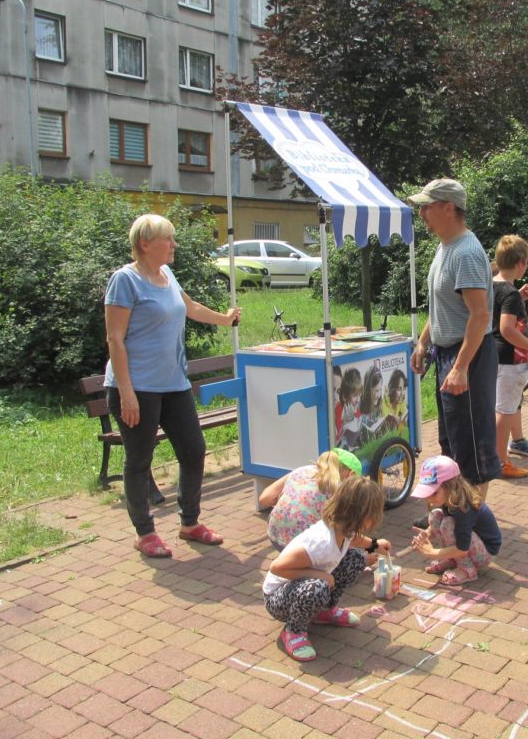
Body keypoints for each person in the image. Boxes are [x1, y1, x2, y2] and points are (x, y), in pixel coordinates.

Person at [104, 214, 241, 558]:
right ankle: (144, 532)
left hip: (174, 384)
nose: (174, 245)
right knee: (140, 459)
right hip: (138, 387)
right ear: (145, 244)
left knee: (194, 450)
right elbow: (115, 339)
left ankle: (190, 523)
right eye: (169, 239)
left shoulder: (167, 275)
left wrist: (224, 319)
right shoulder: (125, 280)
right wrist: (127, 392)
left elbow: (190, 307)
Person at [407, 179, 502, 504]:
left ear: (449, 207)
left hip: (469, 357)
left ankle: (472, 523)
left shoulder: (466, 253)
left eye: (427, 206)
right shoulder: (444, 247)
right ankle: (454, 515)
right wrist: (423, 342)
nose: (421, 213)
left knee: (472, 446)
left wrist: (461, 367)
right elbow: (444, 306)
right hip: (449, 353)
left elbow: (479, 316)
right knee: (452, 440)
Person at [263, 475, 391, 662]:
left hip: (301, 585)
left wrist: (374, 544)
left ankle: (324, 610)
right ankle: (294, 631)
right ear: (365, 517)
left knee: (355, 558)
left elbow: (354, 540)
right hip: (278, 599)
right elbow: (277, 568)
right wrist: (318, 575)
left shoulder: (344, 528)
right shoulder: (321, 542)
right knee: (317, 587)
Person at [491, 236, 528, 478]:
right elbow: (506, 329)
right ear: (521, 263)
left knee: (507, 406)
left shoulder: (492, 285)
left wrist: (518, 298)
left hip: (494, 357)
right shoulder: (510, 293)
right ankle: (500, 461)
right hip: (509, 361)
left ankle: (505, 452)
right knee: (504, 412)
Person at [410, 455, 502, 586]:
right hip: (471, 544)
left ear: (450, 486)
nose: (429, 498)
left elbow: (462, 548)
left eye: (434, 492)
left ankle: (467, 569)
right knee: (435, 516)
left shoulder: (463, 508)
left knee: (448, 525)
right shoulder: (449, 497)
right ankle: (453, 560)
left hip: (485, 553)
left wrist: (432, 553)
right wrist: (427, 534)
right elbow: (438, 524)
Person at [259, 448, 363, 550]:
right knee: (349, 550)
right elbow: (346, 534)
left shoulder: (303, 469)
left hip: (275, 537)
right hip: (304, 548)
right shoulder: (340, 489)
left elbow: (264, 499)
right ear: (351, 474)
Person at [334, 367, 362, 450]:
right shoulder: (338, 411)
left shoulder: (358, 410)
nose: (358, 400)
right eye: (354, 396)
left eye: (359, 395)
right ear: (344, 397)